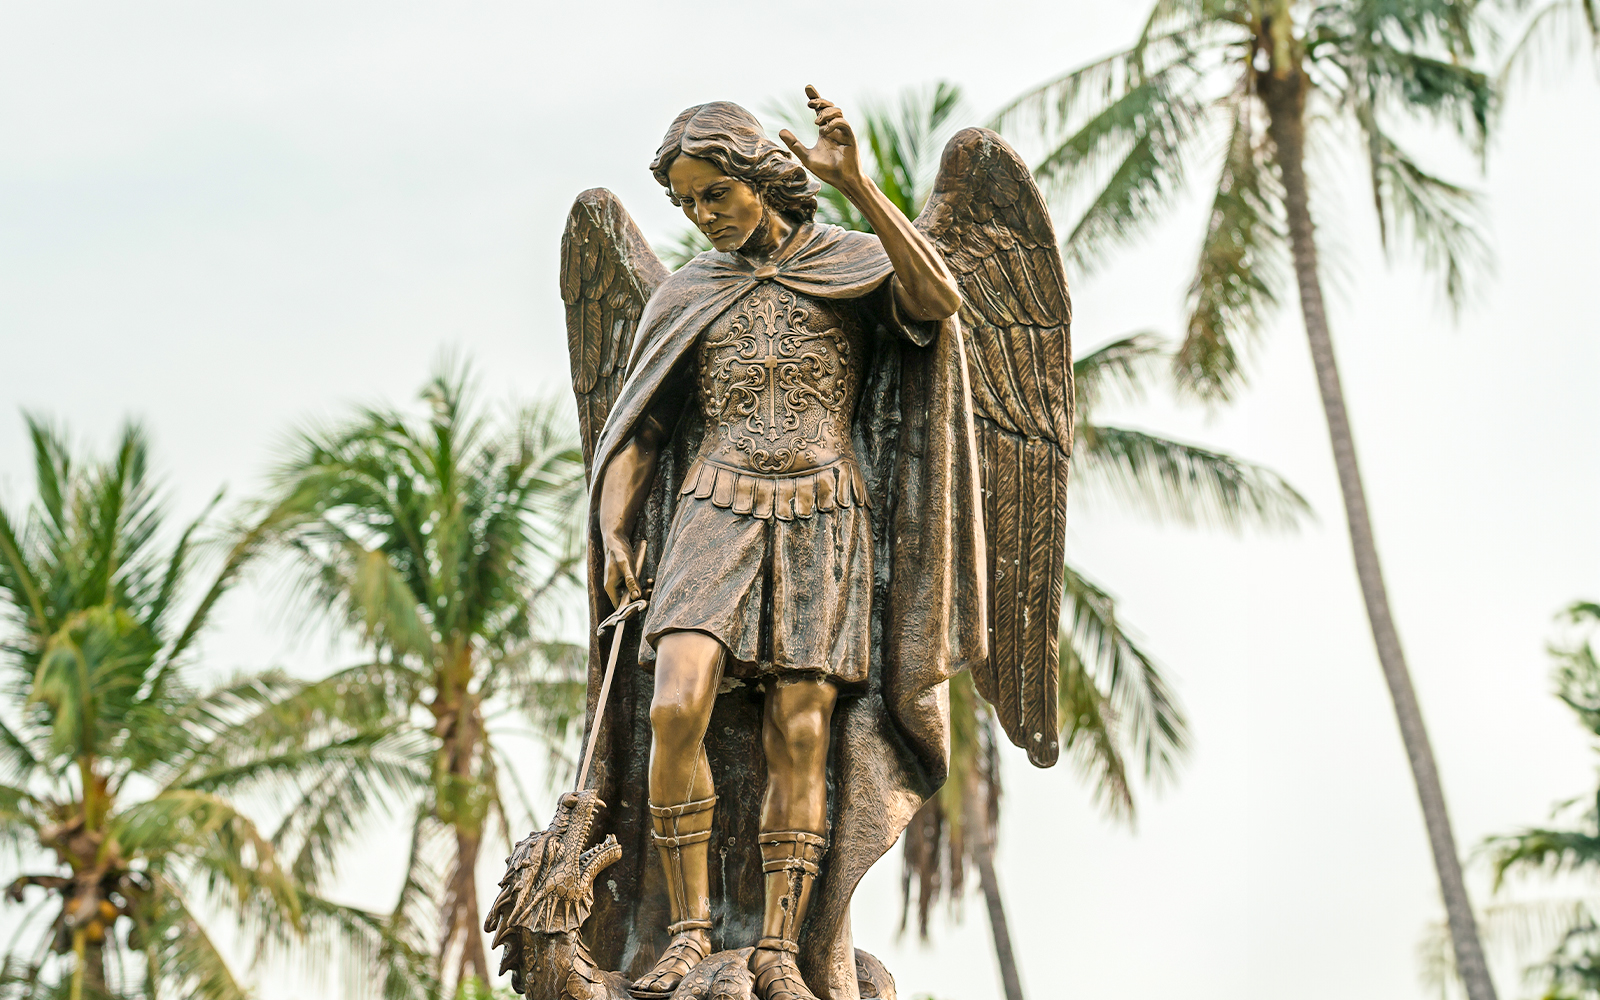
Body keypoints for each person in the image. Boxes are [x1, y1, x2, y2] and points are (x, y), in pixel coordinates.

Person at [587, 87, 979, 1000]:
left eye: (714, 193)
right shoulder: (690, 292)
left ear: (759, 178)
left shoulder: (848, 261)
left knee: (801, 731)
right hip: (713, 507)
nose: (702, 215)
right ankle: (687, 930)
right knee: (674, 705)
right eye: (687, 202)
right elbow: (639, 430)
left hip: (822, 509)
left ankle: (776, 944)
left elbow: (937, 300)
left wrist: (860, 187)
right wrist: (614, 529)